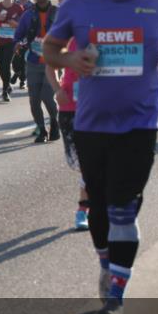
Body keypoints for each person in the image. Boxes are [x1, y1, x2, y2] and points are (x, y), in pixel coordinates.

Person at [44, 0, 158, 314]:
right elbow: (50, 49)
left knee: (123, 205)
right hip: (91, 123)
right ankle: (109, 268)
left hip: (140, 121)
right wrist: (71, 60)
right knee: (100, 209)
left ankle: (116, 298)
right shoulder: (80, 2)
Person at [45, 40, 90, 231]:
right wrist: (57, 90)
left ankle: (83, 209)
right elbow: (50, 66)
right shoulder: (68, 38)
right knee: (81, 162)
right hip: (70, 108)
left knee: (92, 162)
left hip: (98, 108)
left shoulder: (107, 36)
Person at [14, 0, 60, 143]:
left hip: (52, 63)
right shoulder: (28, 14)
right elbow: (18, 35)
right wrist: (18, 43)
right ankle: (41, 130)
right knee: (34, 100)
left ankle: (54, 122)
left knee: (47, 97)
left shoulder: (58, 13)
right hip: (33, 62)